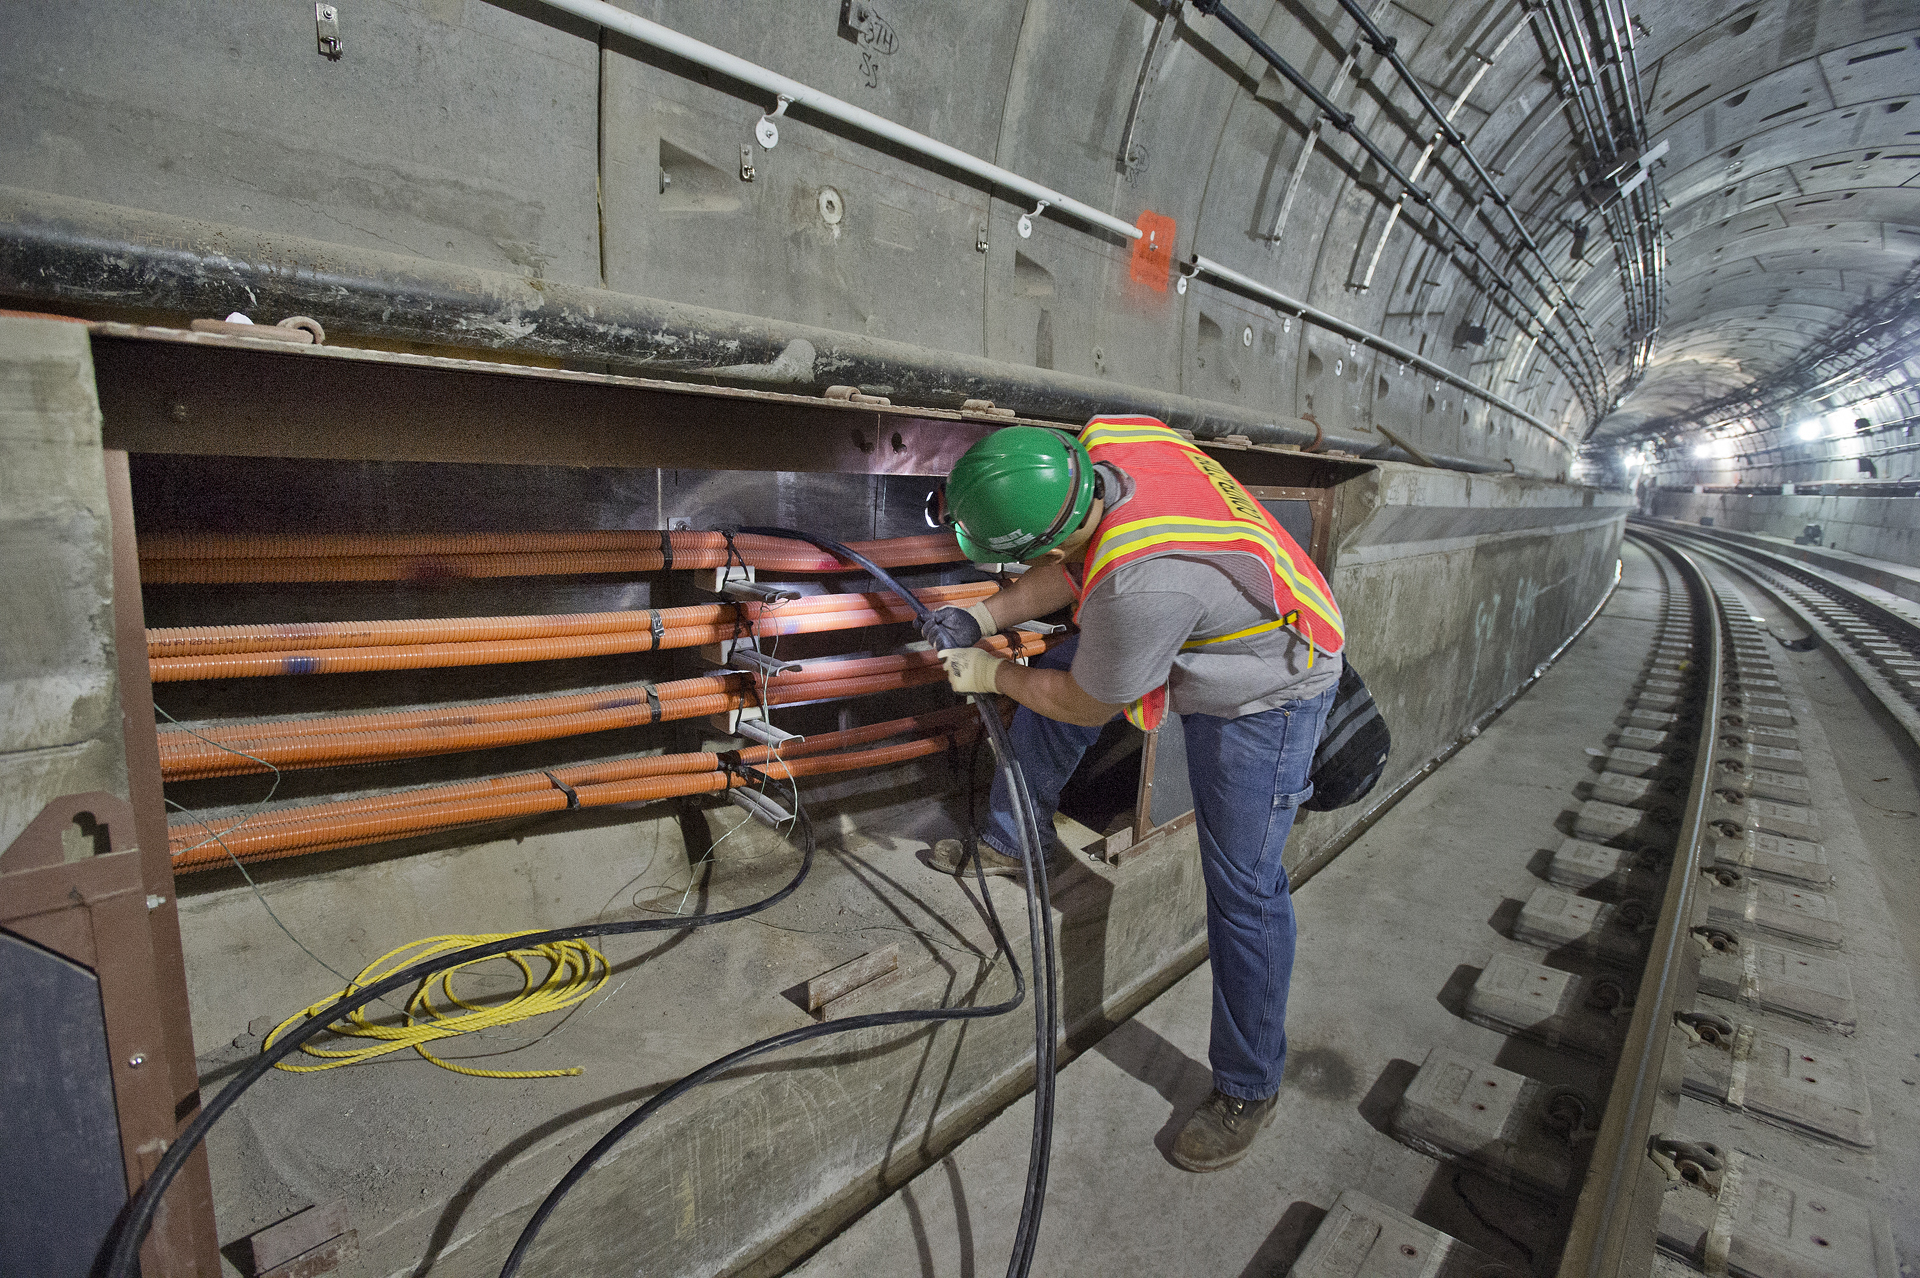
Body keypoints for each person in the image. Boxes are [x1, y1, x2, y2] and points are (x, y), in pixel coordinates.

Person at [920, 415, 1344, 1172]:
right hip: (1219, 599)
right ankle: (1015, 840)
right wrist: (981, 616)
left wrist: (990, 672)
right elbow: (1082, 558)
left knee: (1244, 890)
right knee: (1075, 666)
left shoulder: (1142, 586)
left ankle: (1249, 1087)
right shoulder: (1111, 442)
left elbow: (1086, 701)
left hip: (1269, 686)